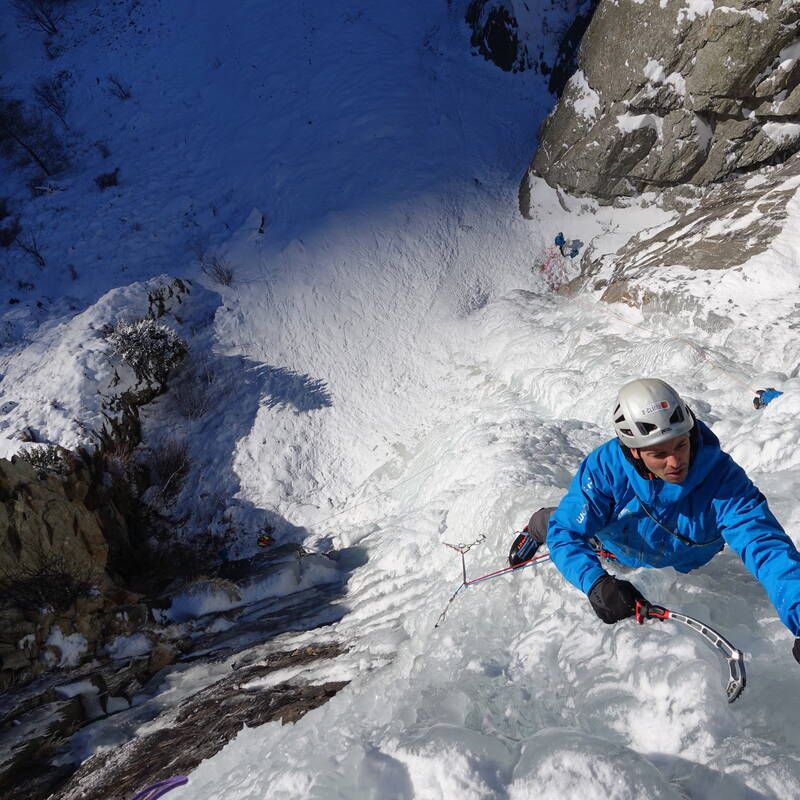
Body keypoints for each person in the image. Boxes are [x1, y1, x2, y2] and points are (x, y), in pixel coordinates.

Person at [508, 377, 800, 663]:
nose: (675, 462)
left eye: (681, 445)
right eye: (659, 453)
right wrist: (596, 584)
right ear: (633, 451)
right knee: (563, 522)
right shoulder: (605, 471)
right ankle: (538, 523)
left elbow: (765, 545)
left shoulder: (722, 479)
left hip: (681, 556)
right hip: (618, 542)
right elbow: (567, 532)